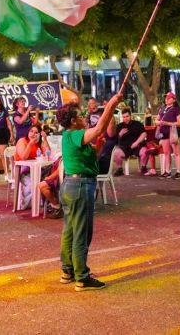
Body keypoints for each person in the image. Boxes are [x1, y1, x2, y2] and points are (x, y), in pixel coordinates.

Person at [57, 91, 122, 291]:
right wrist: (111, 104)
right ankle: (82, 277)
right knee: (81, 233)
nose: (84, 118)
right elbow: (100, 126)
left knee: (70, 230)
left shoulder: (71, 136)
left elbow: (93, 151)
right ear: (73, 121)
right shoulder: (74, 134)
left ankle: (68, 270)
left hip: (71, 186)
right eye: (81, 116)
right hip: (80, 186)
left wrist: (100, 143)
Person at [156, 92, 180, 179]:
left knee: (177, 152)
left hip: (174, 132)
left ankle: (178, 172)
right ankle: (167, 171)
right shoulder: (162, 108)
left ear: (174, 99)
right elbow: (156, 120)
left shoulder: (176, 109)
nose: (166, 99)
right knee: (166, 152)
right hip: (164, 133)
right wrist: (159, 122)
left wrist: (167, 123)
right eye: (166, 97)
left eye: (169, 97)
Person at [114, 109, 147, 174]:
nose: (126, 118)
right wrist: (120, 134)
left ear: (130, 116)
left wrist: (136, 142)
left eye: (127, 116)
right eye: (124, 117)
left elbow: (144, 134)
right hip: (125, 147)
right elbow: (116, 140)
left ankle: (143, 167)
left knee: (145, 151)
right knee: (116, 152)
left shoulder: (137, 124)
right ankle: (119, 169)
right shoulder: (119, 126)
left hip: (137, 146)